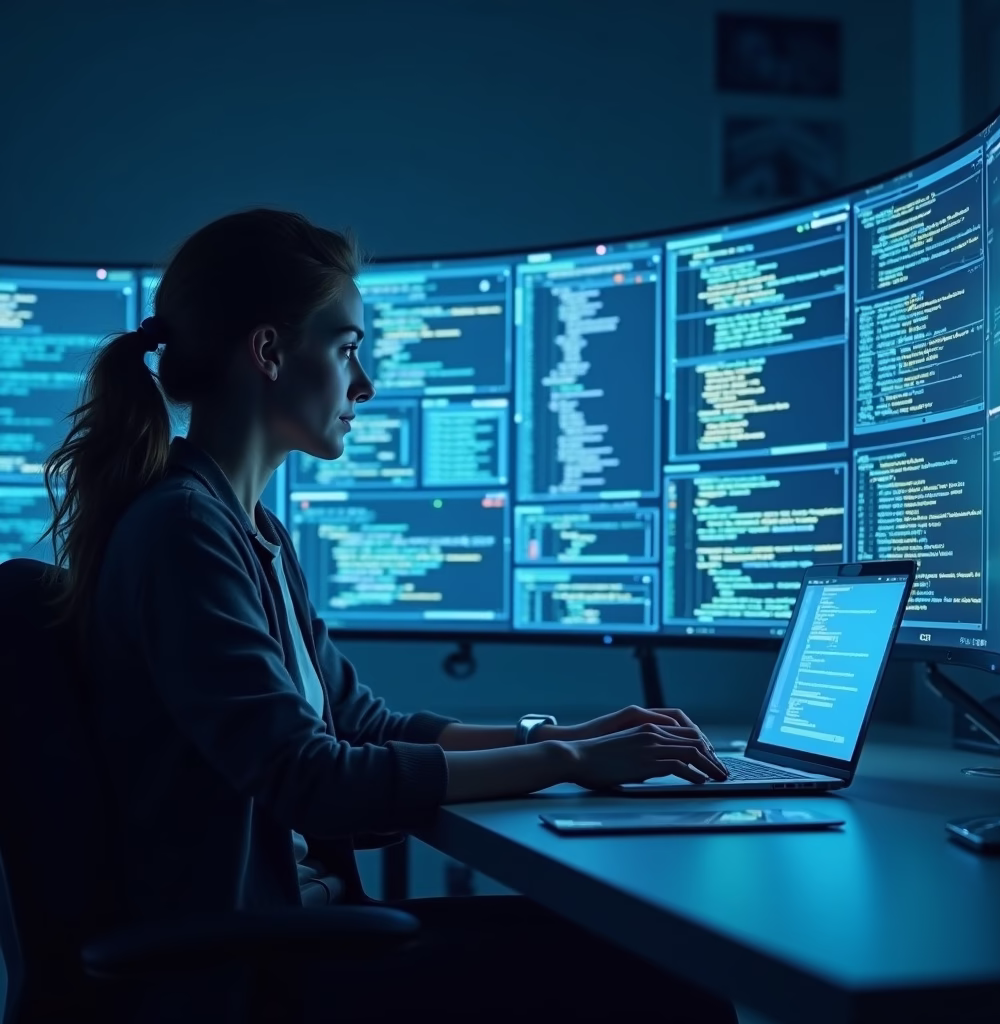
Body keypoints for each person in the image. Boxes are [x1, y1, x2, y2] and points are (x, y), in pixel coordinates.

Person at [42, 208, 736, 1022]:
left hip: (293, 936)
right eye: (346, 349)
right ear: (269, 352)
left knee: (640, 950)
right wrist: (565, 761)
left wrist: (565, 740)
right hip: (248, 973)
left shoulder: (247, 528)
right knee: (667, 976)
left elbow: (360, 723)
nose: (364, 384)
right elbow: (314, 779)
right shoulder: (183, 532)